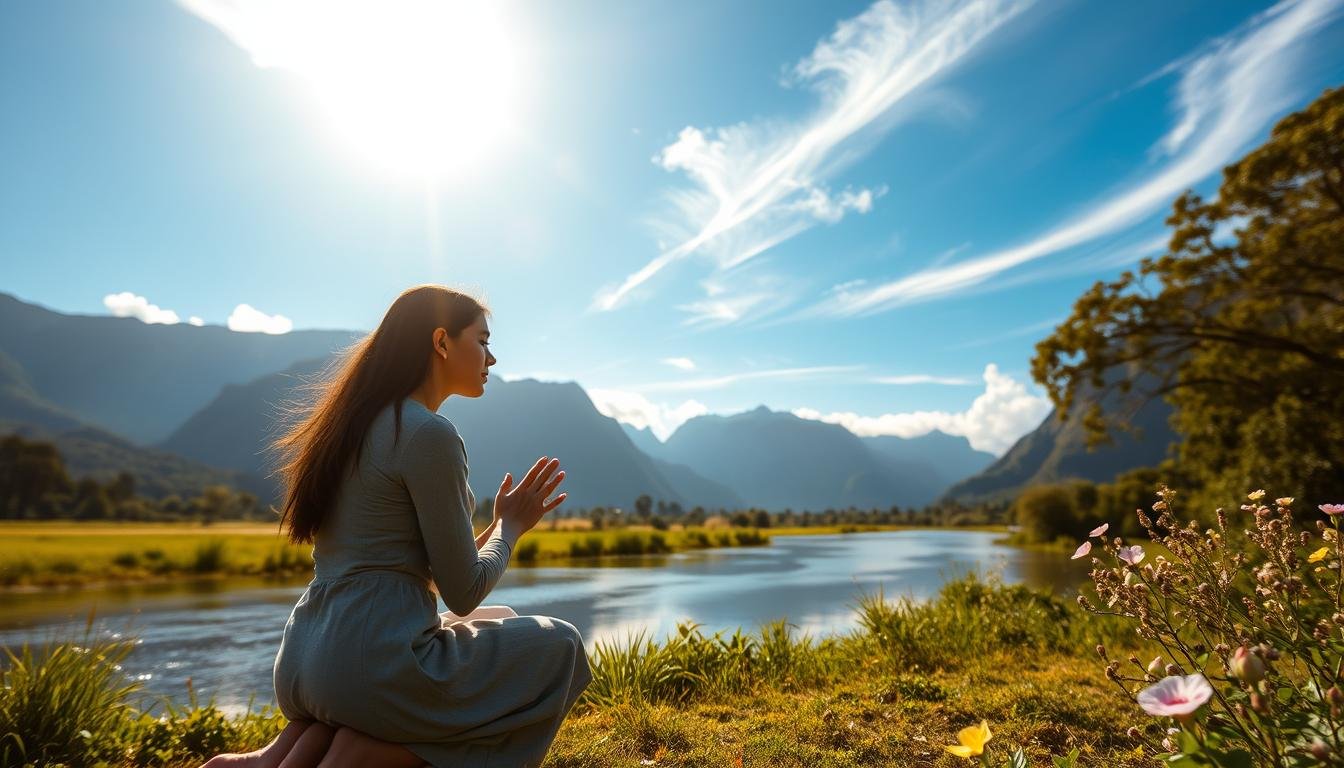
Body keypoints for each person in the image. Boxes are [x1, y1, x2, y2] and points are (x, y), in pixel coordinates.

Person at [200, 284, 591, 768]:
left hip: (307, 656)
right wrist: (510, 530)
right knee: (563, 647)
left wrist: (500, 526)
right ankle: (371, 752)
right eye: (483, 340)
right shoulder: (428, 434)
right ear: (442, 342)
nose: (492, 358)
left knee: (503, 619)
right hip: (369, 667)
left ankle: (273, 758)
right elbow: (463, 590)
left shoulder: (350, 427)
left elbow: (422, 566)